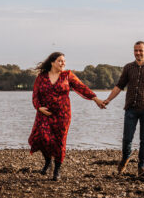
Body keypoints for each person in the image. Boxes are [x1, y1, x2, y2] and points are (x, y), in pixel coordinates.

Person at [28, 52, 106, 180]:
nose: (63, 63)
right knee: (42, 137)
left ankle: (57, 170)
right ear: (52, 62)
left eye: (64, 61)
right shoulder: (41, 77)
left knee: (60, 141)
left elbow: (82, 87)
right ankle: (48, 160)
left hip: (62, 114)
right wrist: (39, 107)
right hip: (44, 114)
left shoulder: (67, 75)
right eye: (60, 61)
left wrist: (95, 99)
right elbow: (35, 95)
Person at [103, 41, 144, 176]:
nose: (138, 53)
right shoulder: (128, 68)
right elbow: (119, 86)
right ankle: (125, 158)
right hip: (131, 108)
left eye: (140, 50)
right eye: (136, 50)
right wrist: (108, 99)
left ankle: (142, 167)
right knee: (127, 139)